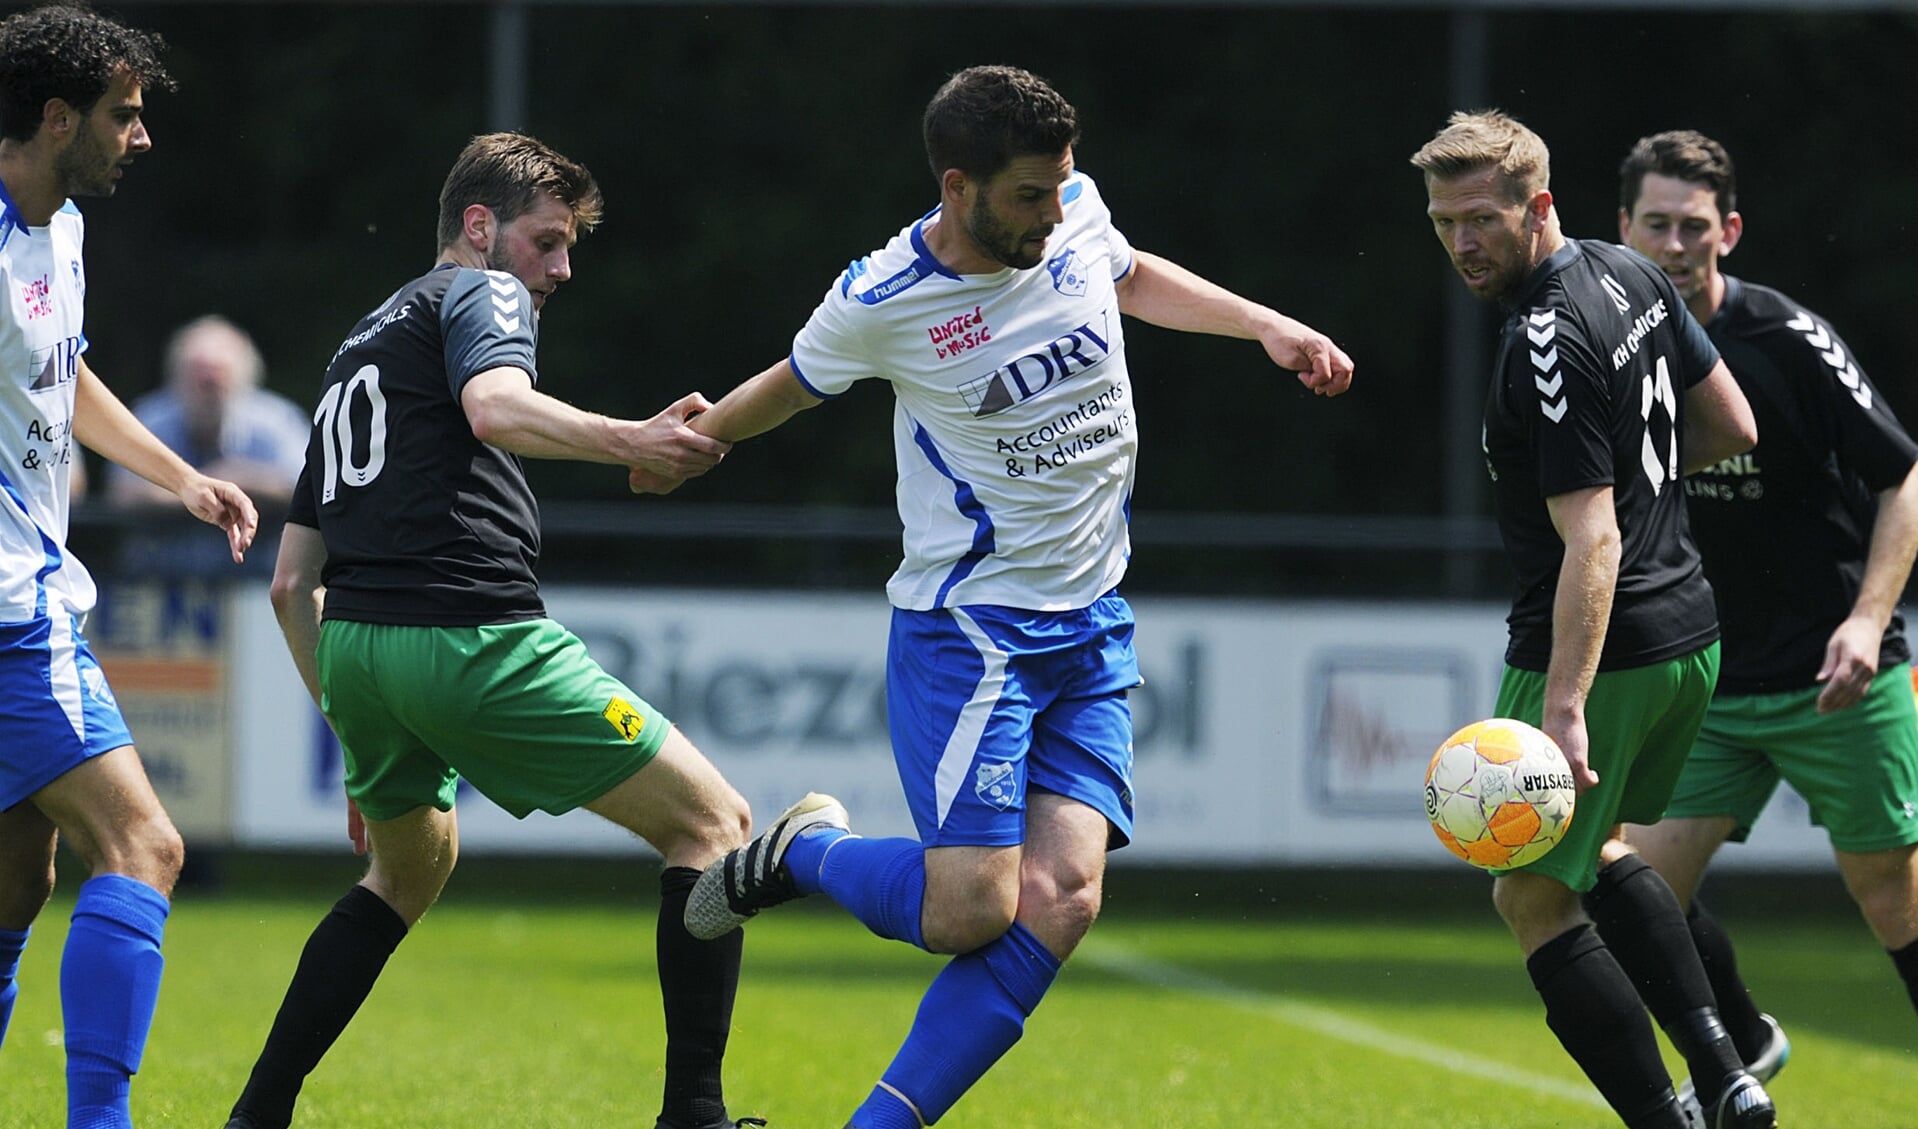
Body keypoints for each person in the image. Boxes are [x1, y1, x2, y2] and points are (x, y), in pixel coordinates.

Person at [680, 65, 1353, 1129]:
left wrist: (1266, 325)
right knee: (971, 909)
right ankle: (799, 851)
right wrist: (687, 440)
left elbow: (1128, 276)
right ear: (958, 187)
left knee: (1064, 898)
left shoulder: (1073, 212)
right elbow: (790, 385)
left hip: (1092, 623)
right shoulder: (882, 299)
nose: (1054, 212)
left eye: (1061, 187)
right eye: (1029, 196)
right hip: (972, 633)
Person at [225, 133, 760, 1129]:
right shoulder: (480, 294)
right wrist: (632, 440)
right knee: (714, 825)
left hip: (360, 653)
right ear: (479, 227)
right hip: (468, 636)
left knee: (409, 866)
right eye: (546, 240)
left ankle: (257, 1113)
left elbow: (292, 583)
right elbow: (495, 406)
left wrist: (351, 739)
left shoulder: (357, 349)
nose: (560, 268)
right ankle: (696, 1113)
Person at [1410, 110, 1775, 1129]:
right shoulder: (1629, 269)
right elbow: (1731, 424)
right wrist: (1649, 502)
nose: (1462, 241)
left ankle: (1671, 1115)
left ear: (1539, 206)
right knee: (1603, 846)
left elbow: (1593, 541)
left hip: (1597, 652)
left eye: (1481, 218)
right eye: (1443, 221)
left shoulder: (1548, 336)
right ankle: (1728, 1072)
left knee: (1526, 896)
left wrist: (1562, 704)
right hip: (1686, 633)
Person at [1616, 129, 1918, 1109]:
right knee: (1632, 890)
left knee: (1890, 897)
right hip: (1706, 681)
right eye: (1652, 223)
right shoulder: (1607, 352)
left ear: (1728, 231)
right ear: (1621, 229)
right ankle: (1746, 1039)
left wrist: (1869, 619)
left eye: (1691, 226)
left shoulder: (1784, 339)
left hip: (1837, 677)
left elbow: (1901, 473)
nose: (1671, 243)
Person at [0, 6, 260, 1128]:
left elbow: (64, 380)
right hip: (11, 607)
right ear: (57, 118)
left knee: (16, 887)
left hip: (27, 588)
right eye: (123, 115)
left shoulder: (57, 231)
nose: (140, 137)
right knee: (144, 845)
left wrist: (179, 476)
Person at [108, 314, 307, 574]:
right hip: (159, 583)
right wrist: (197, 488)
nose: (207, 387)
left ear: (245, 378)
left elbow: (304, 488)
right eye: (197, 376)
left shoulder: (277, 423)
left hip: (256, 585)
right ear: (175, 376)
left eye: (217, 377)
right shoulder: (148, 421)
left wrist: (231, 478)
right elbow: (122, 492)